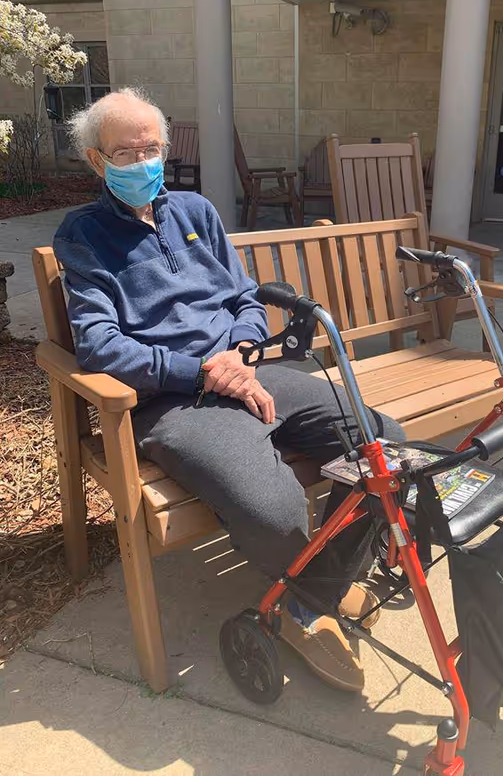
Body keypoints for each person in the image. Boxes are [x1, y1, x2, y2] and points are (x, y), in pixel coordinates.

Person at [53, 88, 405, 694]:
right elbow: (102, 349)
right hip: (172, 400)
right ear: (95, 160)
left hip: (247, 372)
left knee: (388, 446)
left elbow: (243, 299)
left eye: (151, 148)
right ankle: (317, 596)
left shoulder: (196, 212)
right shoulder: (83, 235)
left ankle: (306, 595)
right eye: (125, 152)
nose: (142, 162)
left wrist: (240, 353)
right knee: (275, 509)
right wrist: (201, 371)